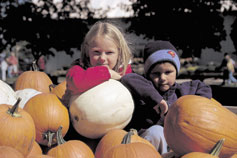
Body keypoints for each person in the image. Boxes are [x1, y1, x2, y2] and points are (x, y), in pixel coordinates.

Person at [121, 40, 212, 154]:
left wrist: (196, 109)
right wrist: (156, 99)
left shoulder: (183, 90)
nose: (162, 78)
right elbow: (128, 78)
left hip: (178, 144)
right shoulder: (145, 88)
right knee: (157, 132)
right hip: (147, 144)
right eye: (156, 73)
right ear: (147, 74)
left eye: (168, 72)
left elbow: (203, 87)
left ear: (176, 72)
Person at [62, 21, 133, 107]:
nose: (102, 58)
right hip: (80, 117)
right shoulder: (79, 68)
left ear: (119, 53)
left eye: (109, 52)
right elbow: (75, 83)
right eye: (96, 52)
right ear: (88, 51)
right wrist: (107, 73)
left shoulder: (124, 71)